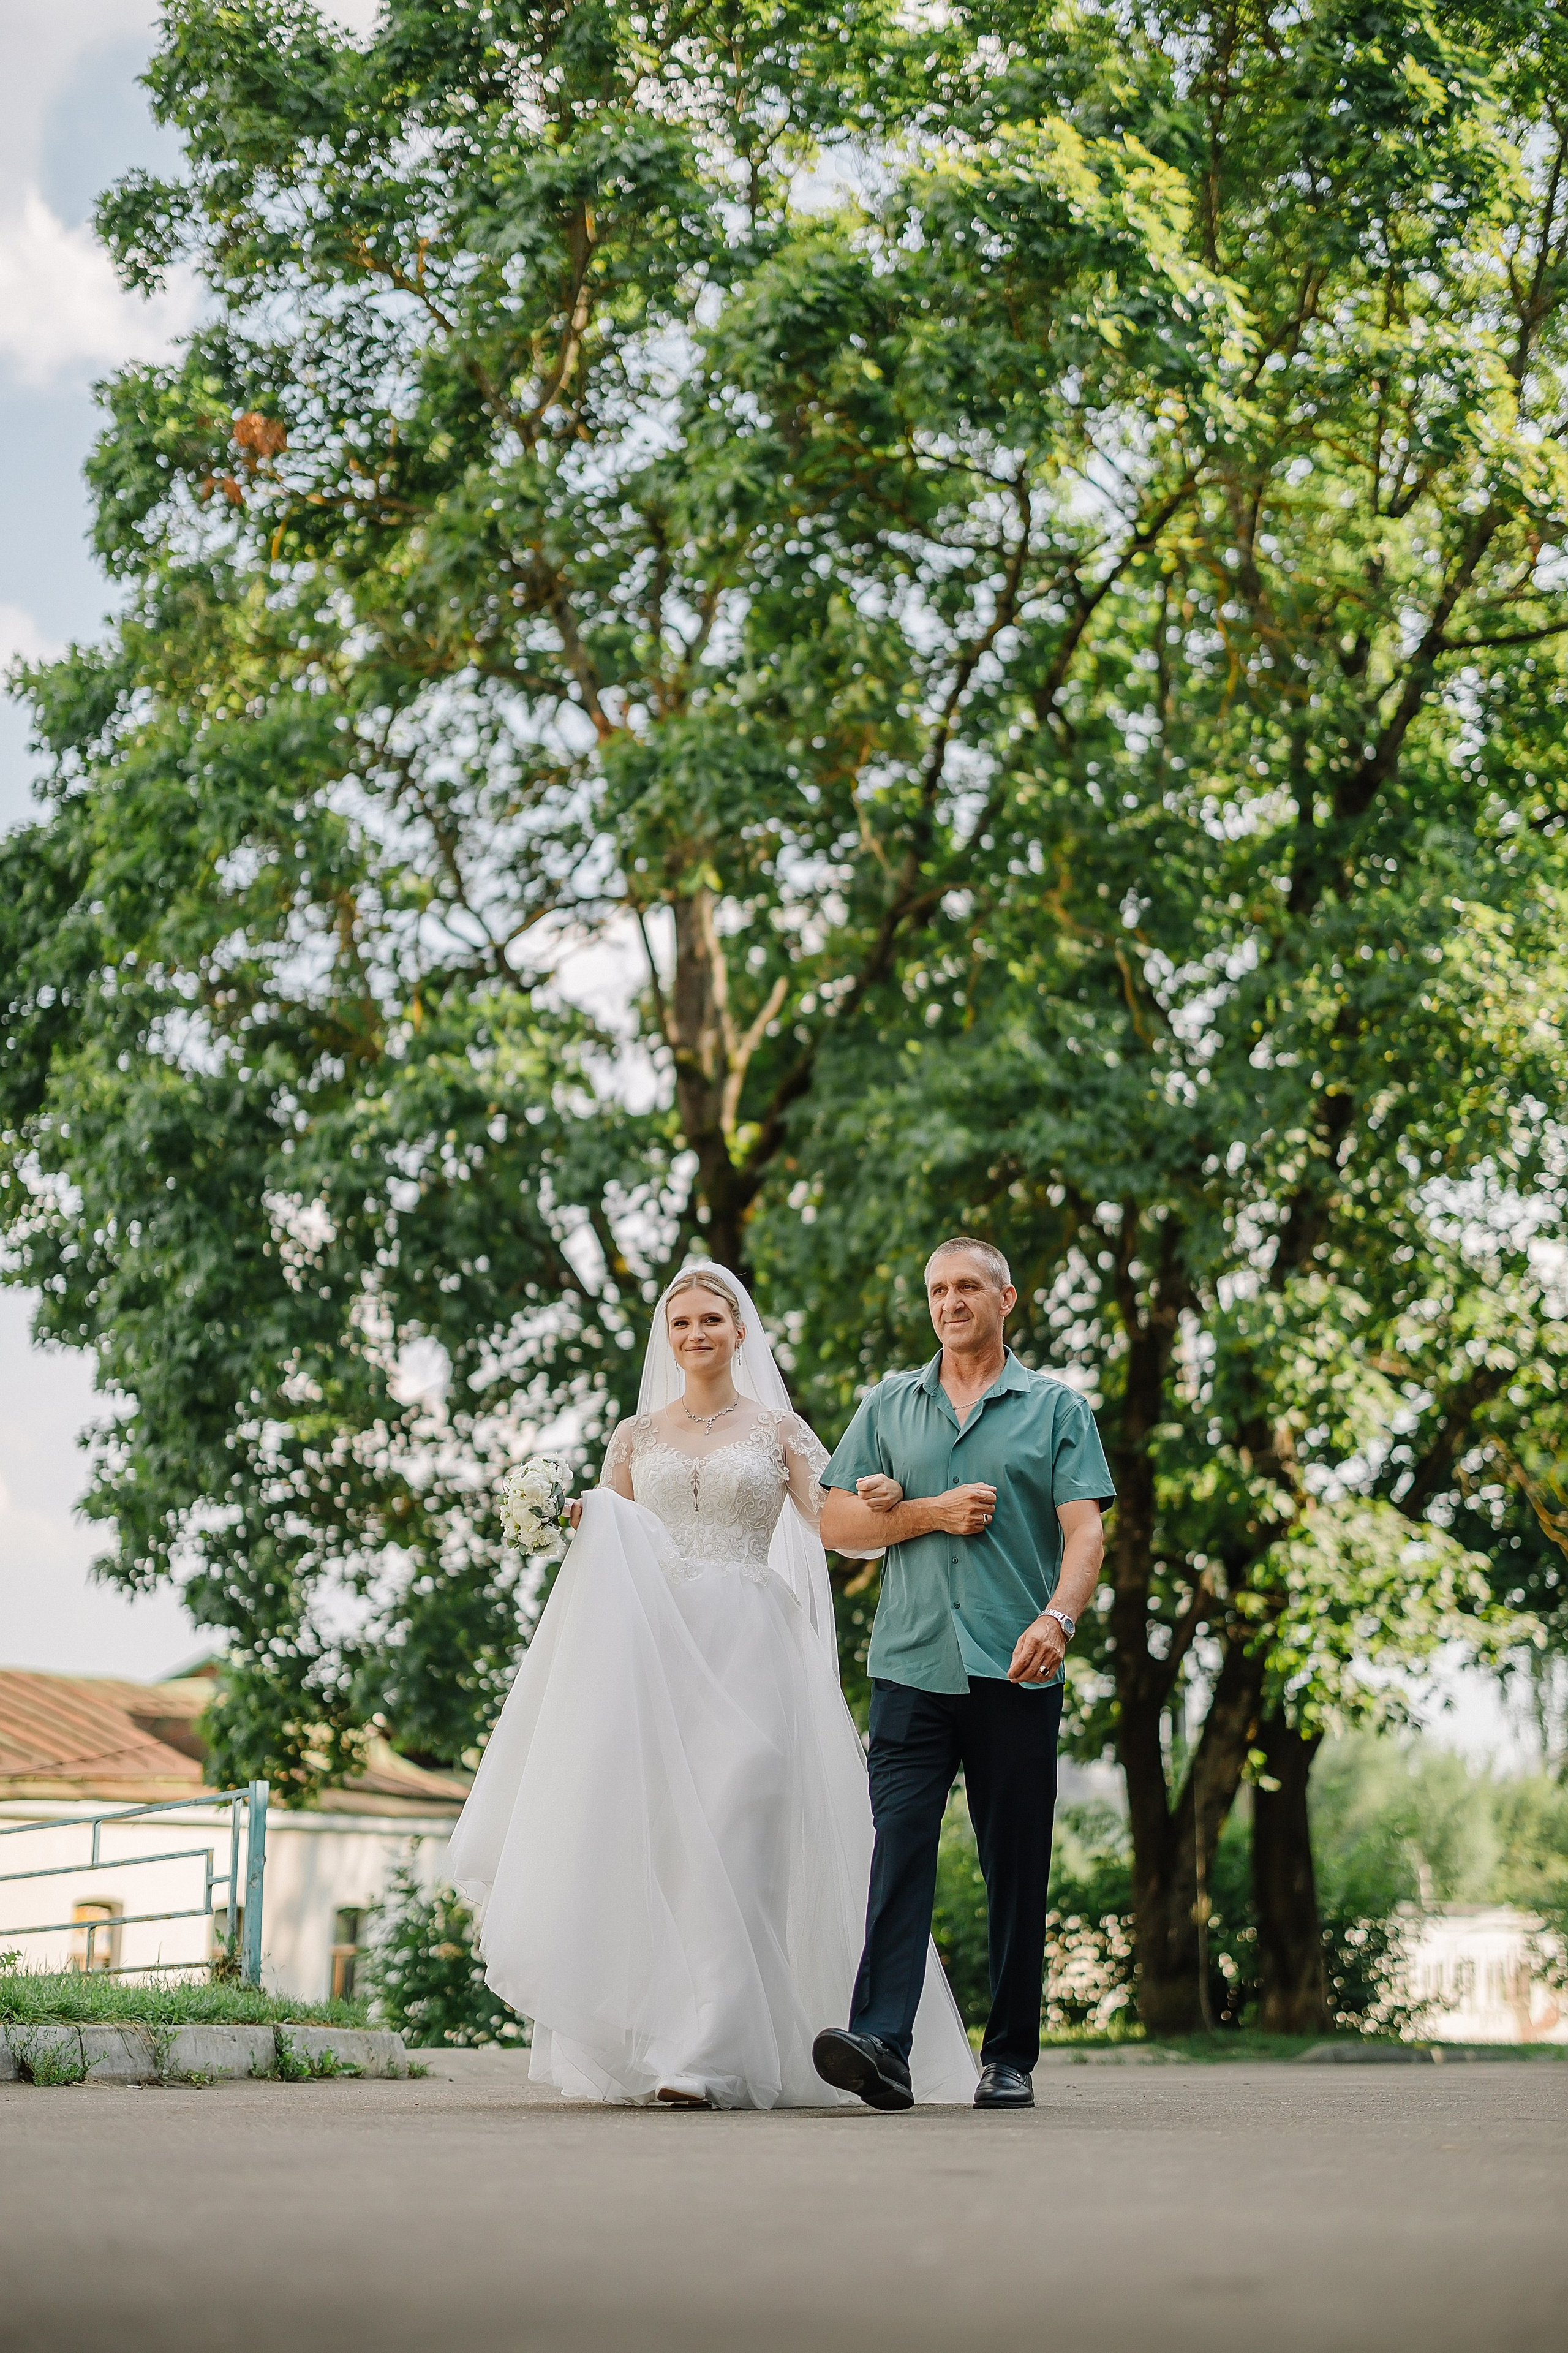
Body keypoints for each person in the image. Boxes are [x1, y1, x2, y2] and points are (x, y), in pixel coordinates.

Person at [445, 1261, 977, 2110]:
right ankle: (679, 2043)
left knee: (739, 1829)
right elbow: (611, 1541)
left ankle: (712, 2050)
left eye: (710, 1320)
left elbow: (831, 1523)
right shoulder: (635, 1435)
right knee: (672, 1848)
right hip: (664, 1652)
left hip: (754, 1647)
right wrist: (571, 1515)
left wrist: (891, 1501)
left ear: (739, 1330)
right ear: (669, 1336)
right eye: (681, 1321)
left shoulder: (778, 1429)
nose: (695, 1333)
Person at [811, 1237, 1115, 2111]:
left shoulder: (1056, 1408)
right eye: (938, 1289)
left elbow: (1085, 1533)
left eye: (968, 1287)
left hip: (1017, 1666)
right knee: (900, 1849)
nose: (951, 1302)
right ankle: (883, 2044)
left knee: (1013, 1864)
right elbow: (834, 1522)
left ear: (1006, 1298)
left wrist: (1058, 1618)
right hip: (910, 1666)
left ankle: (1011, 2054)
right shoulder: (887, 1405)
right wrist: (923, 1513)